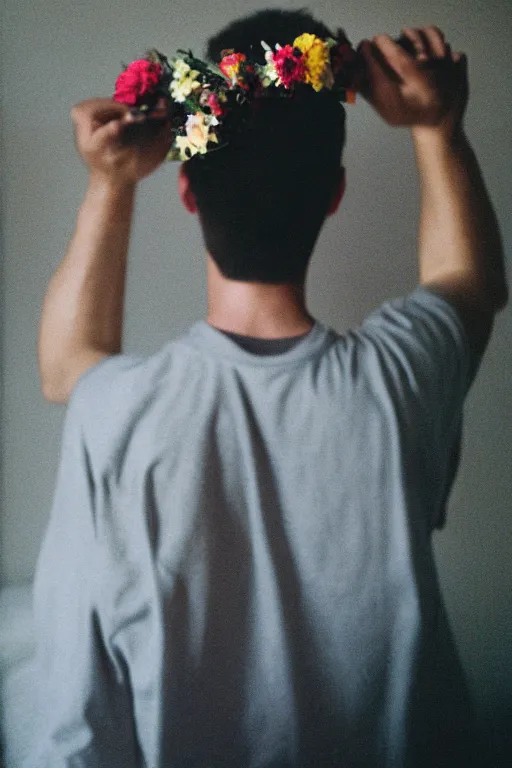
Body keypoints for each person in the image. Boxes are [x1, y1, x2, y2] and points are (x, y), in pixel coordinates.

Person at [27, 8, 507, 768]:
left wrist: (110, 182)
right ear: (335, 195)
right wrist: (437, 126)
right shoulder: (399, 384)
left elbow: (67, 363)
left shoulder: (115, 414)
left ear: (187, 193)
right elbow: (470, 284)